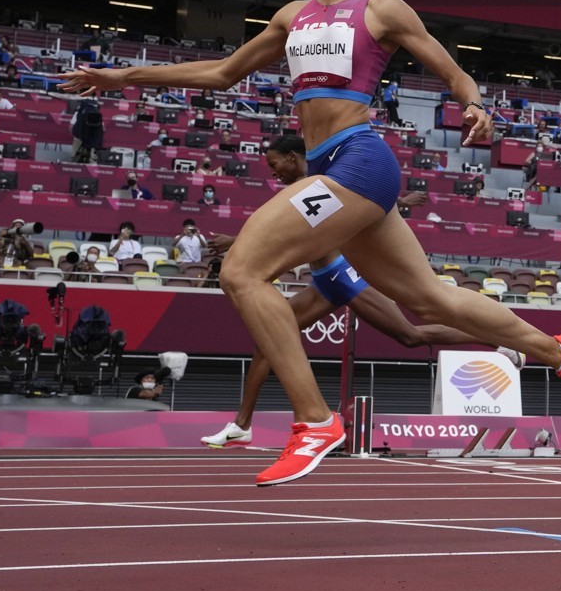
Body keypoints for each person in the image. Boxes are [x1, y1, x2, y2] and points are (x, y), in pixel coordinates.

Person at [60, 0, 561, 486]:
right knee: (428, 301)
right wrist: (125, 77)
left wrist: (473, 105)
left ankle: (315, 421)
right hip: (332, 166)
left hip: (359, 160)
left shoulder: (381, 9)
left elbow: (453, 71)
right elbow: (222, 73)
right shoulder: (291, 16)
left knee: (243, 271)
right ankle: (560, 351)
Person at [200, 135, 525, 448]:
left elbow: (347, 210)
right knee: (266, 342)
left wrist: (234, 243)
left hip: (345, 275)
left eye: (275, 164)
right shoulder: (303, 189)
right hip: (324, 282)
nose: (272, 172)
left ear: (292, 158)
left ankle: (498, 340)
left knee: (410, 335)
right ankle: (241, 426)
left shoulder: (319, 182)